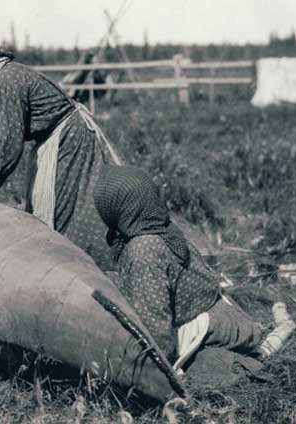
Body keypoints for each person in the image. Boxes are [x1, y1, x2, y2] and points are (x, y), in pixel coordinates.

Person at [0, 41, 123, 269]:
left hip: (69, 140)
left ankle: (83, 268)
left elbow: (8, 147)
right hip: (52, 139)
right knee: (52, 206)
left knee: (65, 209)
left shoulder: (8, 81)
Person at [93, 165, 266, 386]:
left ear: (115, 209)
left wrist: (140, 376)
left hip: (208, 329)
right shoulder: (154, 225)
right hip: (218, 315)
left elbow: (156, 335)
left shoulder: (144, 251)